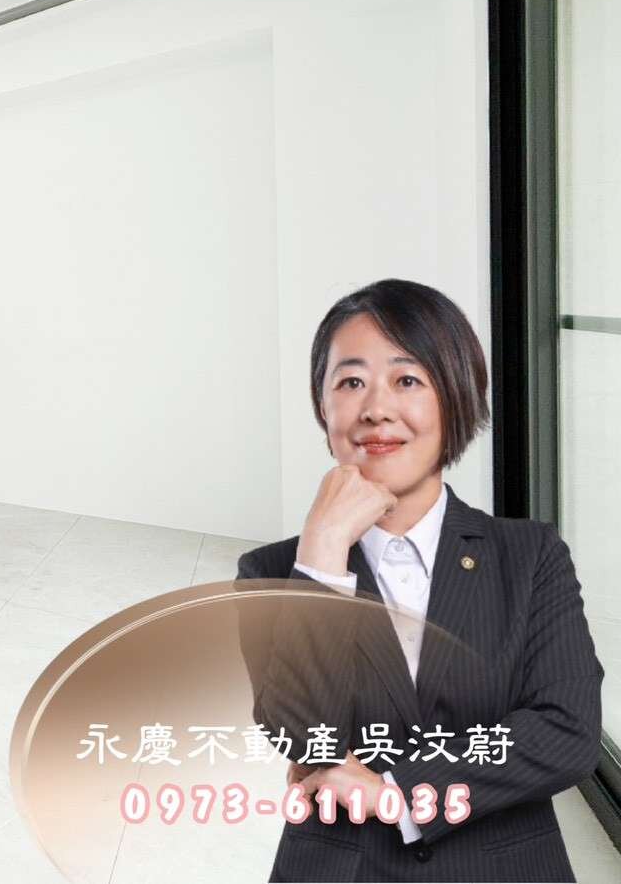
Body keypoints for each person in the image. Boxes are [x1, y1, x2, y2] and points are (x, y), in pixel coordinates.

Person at [236, 278, 603, 882]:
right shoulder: (272, 573)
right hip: (341, 867)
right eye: (350, 382)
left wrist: (397, 792)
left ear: (454, 397)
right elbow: (307, 741)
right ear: (323, 407)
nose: (376, 409)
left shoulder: (530, 554)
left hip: (506, 865)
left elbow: (568, 731)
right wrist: (324, 554)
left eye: (407, 380)